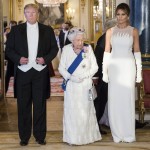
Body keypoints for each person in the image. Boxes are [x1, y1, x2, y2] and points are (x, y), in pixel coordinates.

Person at [5, 4, 58, 146]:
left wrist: (45, 59)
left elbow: (54, 48)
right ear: (24, 14)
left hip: (40, 72)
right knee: (23, 106)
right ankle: (24, 137)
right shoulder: (15, 30)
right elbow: (8, 50)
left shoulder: (47, 30)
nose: (30, 15)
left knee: (40, 105)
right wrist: (18, 59)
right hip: (23, 72)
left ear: (37, 13)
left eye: (33, 12)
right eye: (27, 12)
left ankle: (40, 136)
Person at [102, 3, 142, 143]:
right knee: (114, 101)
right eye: (118, 14)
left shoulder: (134, 31)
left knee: (127, 100)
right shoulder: (110, 31)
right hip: (114, 68)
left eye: (123, 14)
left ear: (128, 15)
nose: (120, 17)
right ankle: (117, 133)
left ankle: (128, 133)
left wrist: (139, 73)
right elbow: (107, 52)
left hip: (128, 68)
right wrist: (104, 72)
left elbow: (137, 51)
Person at [58, 27, 102, 145]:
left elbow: (95, 67)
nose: (80, 43)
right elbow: (61, 68)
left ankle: (86, 137)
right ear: (72, 40)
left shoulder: (88, 49)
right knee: (72, 111)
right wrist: (71, 77)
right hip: (72, 85)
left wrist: (85, 76)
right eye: (78, 40)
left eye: (82, 40)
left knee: (85, 111)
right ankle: (72, 138)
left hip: (85, 84)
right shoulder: (66, 49)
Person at [4, 20, 17, 94]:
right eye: (12, 25)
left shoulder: (19, 35)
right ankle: (4, 91)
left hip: (17, 58)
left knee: (17, 76)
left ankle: (16, 92)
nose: (13, 26)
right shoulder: (7, 35)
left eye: (14, 25)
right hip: (10, 58)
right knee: (7, 76)